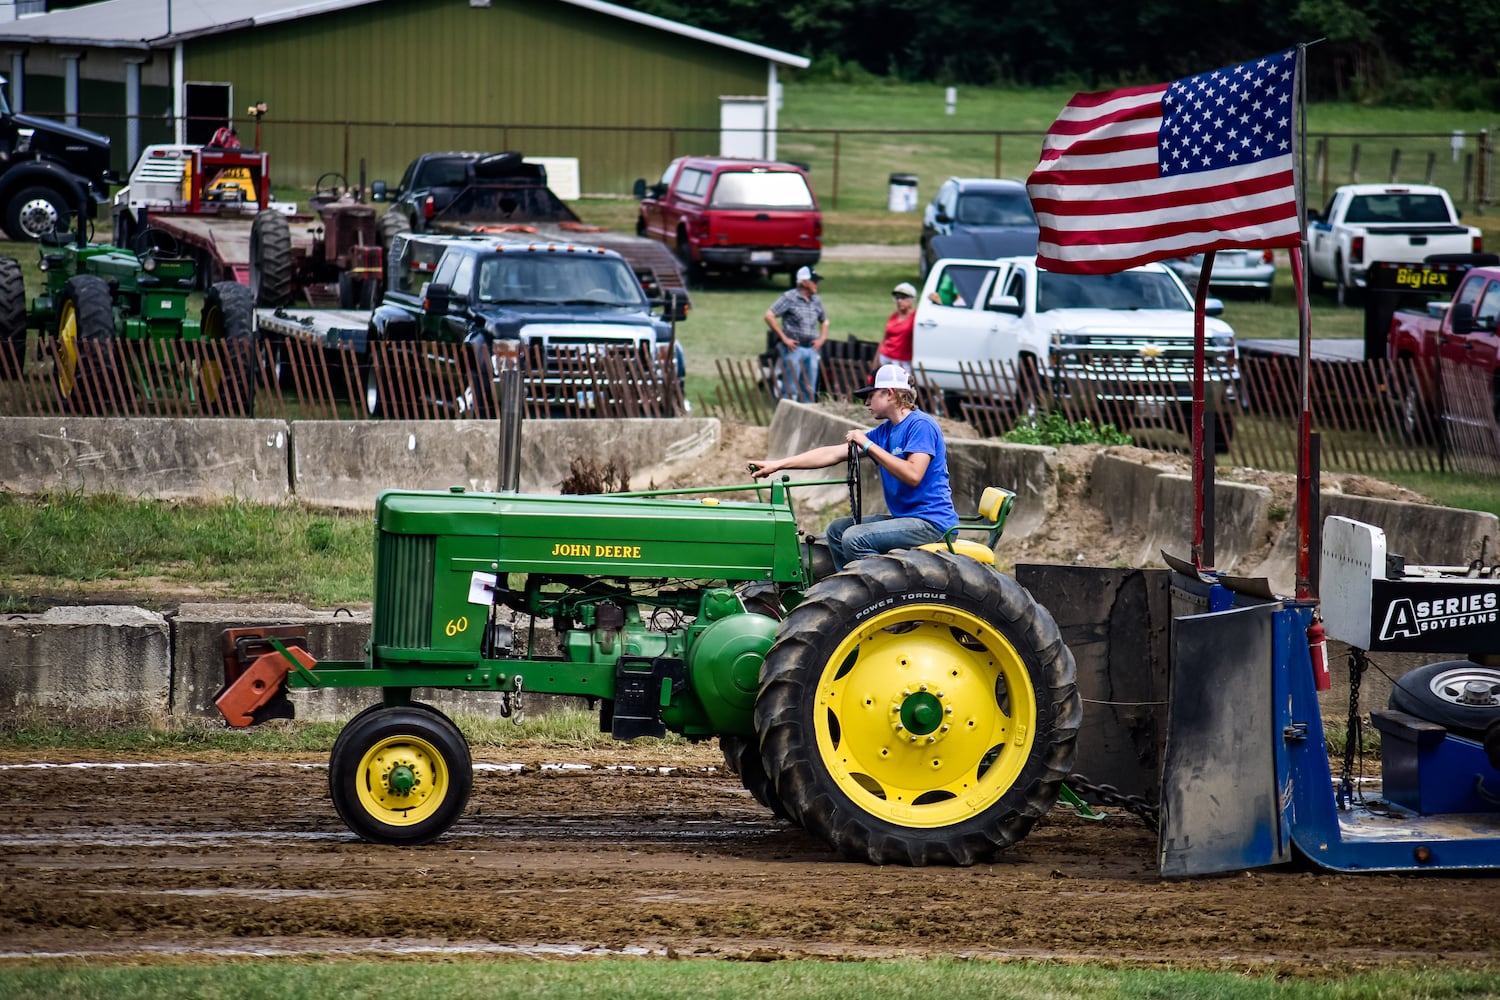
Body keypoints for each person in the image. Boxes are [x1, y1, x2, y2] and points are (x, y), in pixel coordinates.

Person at [750, 364, 958, 568]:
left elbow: (913, 474)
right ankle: (847, 590)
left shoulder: (921, 425)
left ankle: (878, 595)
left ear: (890, 393)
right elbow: (831, 453)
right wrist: (777, 465)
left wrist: (867, 444)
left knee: (855, 538)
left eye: (870, 395)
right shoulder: (886, 431)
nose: (866, 403)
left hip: (932, 524)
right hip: (909, 519)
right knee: (837, 530)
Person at [765, 265, 828, 402]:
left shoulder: (816, 300)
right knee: (790, 386)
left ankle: (806, 414)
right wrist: (784, 338)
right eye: (814, 281)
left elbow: (824, 321)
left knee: (809, 387)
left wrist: (822, 338)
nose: (816, 284)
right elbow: (769, 315)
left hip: (811, 349)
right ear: (804, 282)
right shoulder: (789, 297)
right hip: (793, 348)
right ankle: (787, 414)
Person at [877, 281, 917, 371]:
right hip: (885, 357)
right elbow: (884, 338)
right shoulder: (894, 316)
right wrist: (876, 359)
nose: (899, 301)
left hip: (902, 362)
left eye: (903, 298)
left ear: (912, 299)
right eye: (897, 298)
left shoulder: (915, 317)